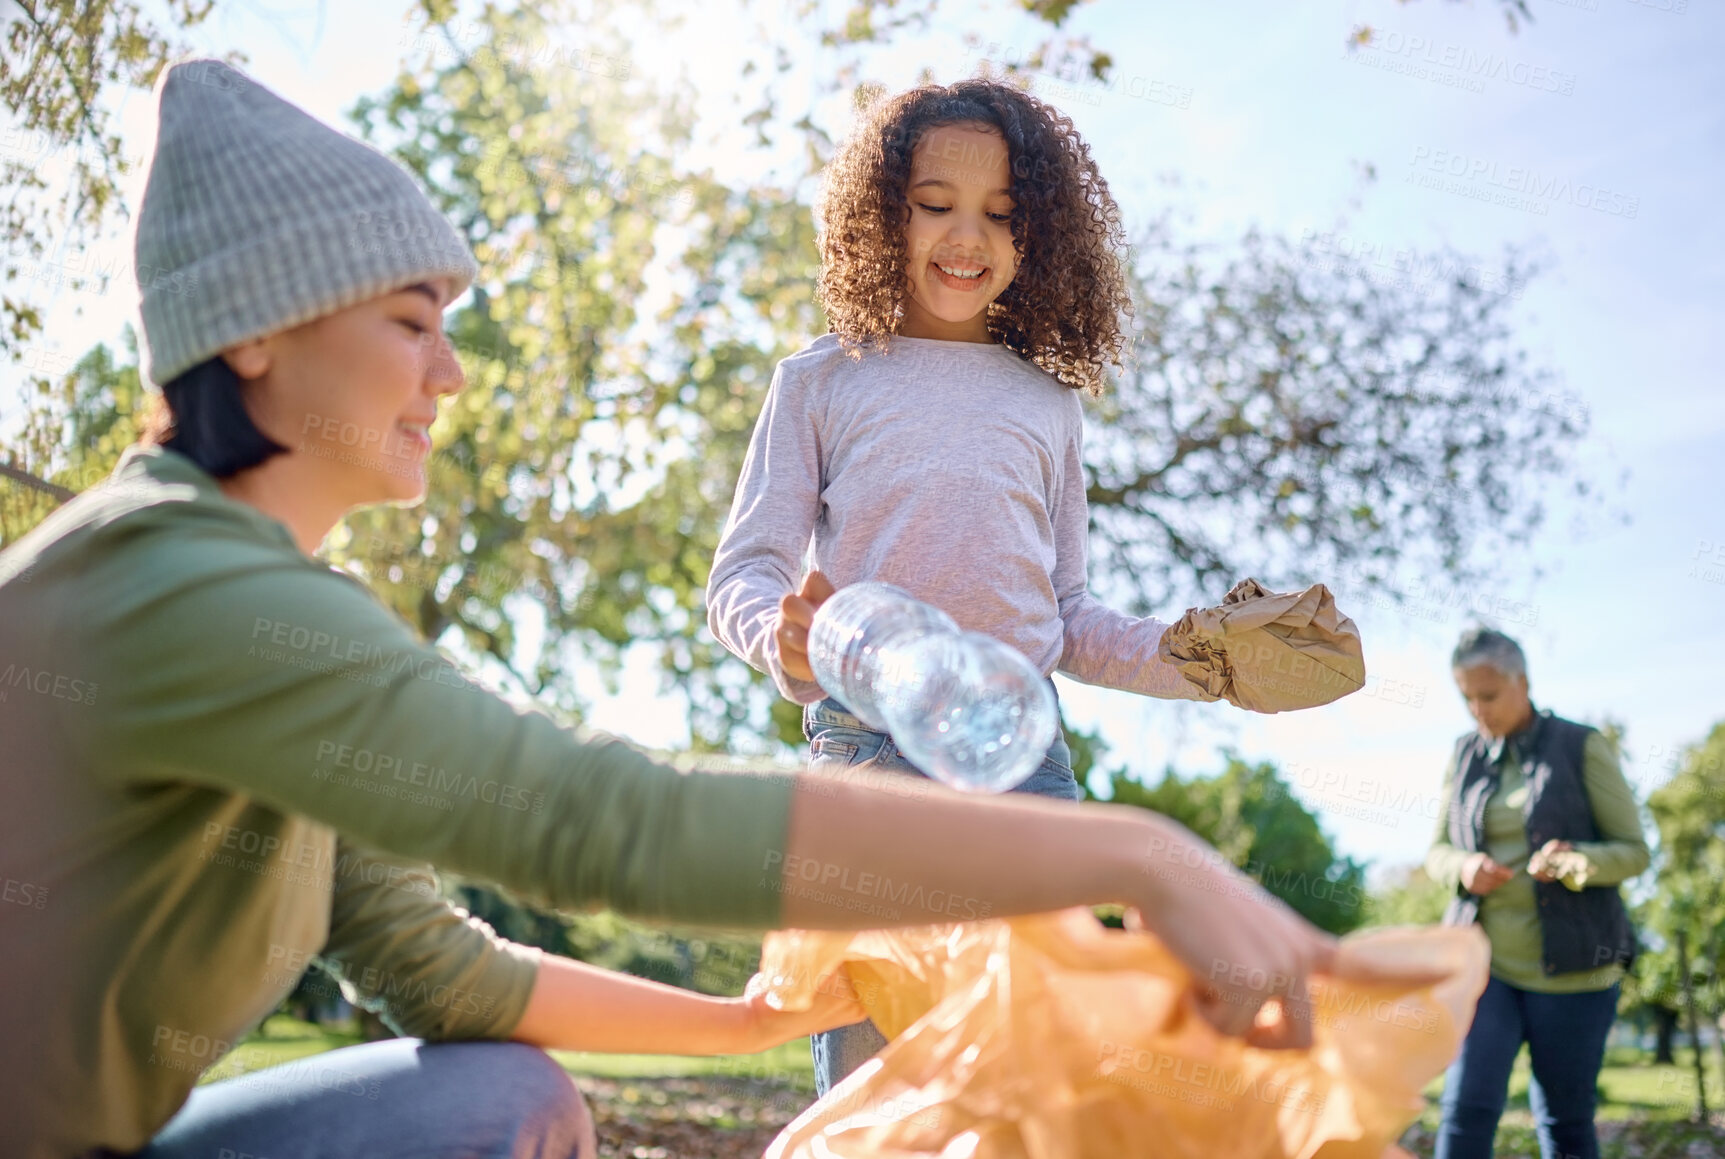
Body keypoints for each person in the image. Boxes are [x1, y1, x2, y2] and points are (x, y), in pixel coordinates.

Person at [0, 61, 1337, 1159]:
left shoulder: (286, 614)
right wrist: (1140, 855)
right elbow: (604, 815)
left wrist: (746, 1017)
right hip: (875, 755)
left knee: (513, 1099)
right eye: (416, 321)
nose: (455, 373)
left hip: (1014, 764)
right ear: (257, 331)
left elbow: (435, 968)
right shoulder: (183, 585)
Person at [705, 79, 1256, 1096]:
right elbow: (742, 575)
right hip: (867, 752)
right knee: (879, 1075)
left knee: (1028, 1070)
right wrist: (776, 639)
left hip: (1023, 764)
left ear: (1038, 233)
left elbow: (1070, 618)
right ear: (883, 211)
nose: (968, 236)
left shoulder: (1047, 404)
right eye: (934, 203)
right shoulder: (821, 381)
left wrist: (1201, 658)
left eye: (1002, 214)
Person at [1426, 627, 1649, 1159]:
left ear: (1522, 681)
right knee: (1465, 1110)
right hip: (1485, 968)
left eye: (1489, 695)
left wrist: (1578, 861)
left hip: (1578, 969)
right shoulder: (1463, 755)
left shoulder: (1581, 745)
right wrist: (1464, 866)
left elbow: (1635, 851)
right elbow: (1436, 850)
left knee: (1565, 1122)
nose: (1478, 710)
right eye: (1466, 698)